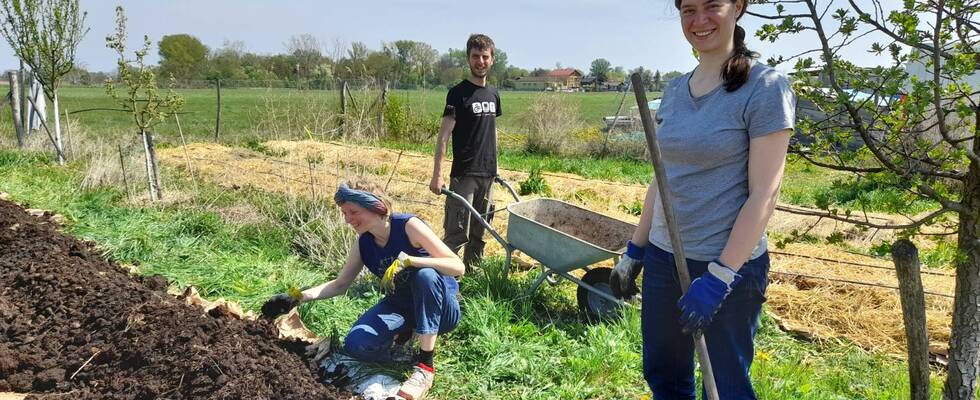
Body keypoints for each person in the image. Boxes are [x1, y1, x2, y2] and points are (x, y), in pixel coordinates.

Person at [608, 0, 796, 398]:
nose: (699, 20)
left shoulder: (764, 88)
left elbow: (765, 192)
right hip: (664, 258)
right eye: (688, 9)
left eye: (713, 6)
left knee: (727, 385)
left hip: (727, 267)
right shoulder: (676, 89)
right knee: (665, 375)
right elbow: (663, 178)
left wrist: (720, 276)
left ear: (739, 8)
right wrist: (636, 249)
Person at [262, 180, 464, 400]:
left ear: (376, 207)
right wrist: (298, 297)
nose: (348, 219)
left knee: (426, 275)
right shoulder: (364, 243)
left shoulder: (408, 226)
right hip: (402, 306)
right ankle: (405, 345)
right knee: (357, 345)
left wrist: (412, 261)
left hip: (441, 308)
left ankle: (425, 367)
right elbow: (340, 284)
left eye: (353, 212)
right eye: (344, 213)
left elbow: (457, 266)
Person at [429, 33, 502, 268]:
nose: (480, 61)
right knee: (457, 233)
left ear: (492, 59)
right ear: (468, 59)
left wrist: (496, 167)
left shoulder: (493, 95)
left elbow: (492, 131)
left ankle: (473, 277)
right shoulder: (458, 94)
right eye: (475, 56)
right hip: (465, 173)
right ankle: (442, 278)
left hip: (487, 174)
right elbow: (444, 136)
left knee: (480, 233)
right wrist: (437, 175)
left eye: (485, 56)